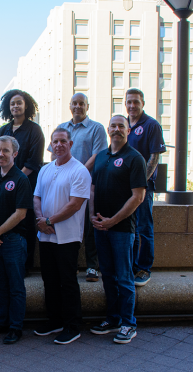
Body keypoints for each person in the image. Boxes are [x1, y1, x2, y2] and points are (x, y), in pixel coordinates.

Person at [89, 115, 147, 344]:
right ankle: (112, 319)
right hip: (100, 227)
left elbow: (138, 197)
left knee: (124, 277)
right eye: (113, 126)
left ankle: (128, 323)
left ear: (128, 130)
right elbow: (92, 189)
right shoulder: (101, 156)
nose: (116, 130)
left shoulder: (135, 158)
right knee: (108, 277)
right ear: (108, 130)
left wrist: (112, 221)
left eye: (121, 126)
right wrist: (94, 217)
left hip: (122, 229)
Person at [33, 128, 91, 345]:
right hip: (46, 235)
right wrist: (41, 220)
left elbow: (75, 204)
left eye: (63, 141)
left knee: (67, 282)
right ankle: (55, 321)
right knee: (49, 280)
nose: (58, 145)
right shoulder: (45, 169)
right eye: (55, 141)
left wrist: (50, 221)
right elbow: (37, 197)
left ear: (71, 143)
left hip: (67, 237)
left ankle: (73, 326)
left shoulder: (79, 170)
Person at [0, 136, 32, 344]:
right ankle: (1, 322)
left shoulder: (21, 180)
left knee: (16, 287)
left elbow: (21, 213)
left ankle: (15, 327)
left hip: (13, 242)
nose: (0, 154)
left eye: (6, 151)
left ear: (15, 154)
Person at [54, 93, 108, 283]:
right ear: (70, 106)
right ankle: (72, 264)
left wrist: (76, 175)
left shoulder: (96, 128)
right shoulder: (62, 128)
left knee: (89, 224)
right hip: (64, 187)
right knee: (69, 225)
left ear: (87, 106)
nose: (78, 107)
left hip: (88, 186)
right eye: (74, 103)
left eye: (81, 104)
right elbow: (55, 155)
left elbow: (97, 156)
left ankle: (92, 266)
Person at [0, 89, 44, 273]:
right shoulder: (3, 130)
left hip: (25, 184)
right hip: (1, 186)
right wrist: (0, 180)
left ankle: (25, 266)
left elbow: (33, 161)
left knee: (25, 224)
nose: (15, 106)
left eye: (19, 103)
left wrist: (13, 181)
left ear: (26, 105)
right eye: (12, 103)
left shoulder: (34, 130)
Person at [125, 88, 167, 287]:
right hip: (125, 189)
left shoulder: (151, 125)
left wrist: (140, 184)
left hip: (143, 188)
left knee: (144, 228)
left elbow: (155, 157)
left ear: (142, 103)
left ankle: (144, 268)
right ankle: (132, 266)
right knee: (130, 229)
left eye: (136, 102)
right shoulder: (124, 125)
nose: (132, 105)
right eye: (129, 102)